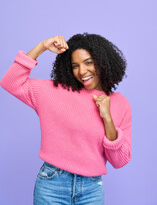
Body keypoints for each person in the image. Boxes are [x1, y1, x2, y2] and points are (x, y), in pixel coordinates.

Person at [0, 33, 132, 205]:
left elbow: (119, 161)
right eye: (75, 65)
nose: (82, 71)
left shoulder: (120, 103)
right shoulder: (52, 92)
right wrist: (42, 46)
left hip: (91, 190)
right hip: (51, 185)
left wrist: (108, 119)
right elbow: (10, 82)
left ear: (103, 61)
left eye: (88, 62)